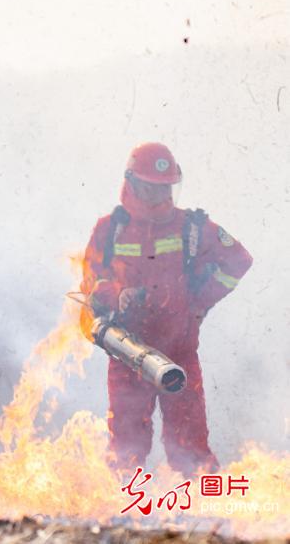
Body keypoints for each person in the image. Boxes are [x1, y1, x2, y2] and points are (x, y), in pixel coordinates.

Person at [80, 142, 252, 475]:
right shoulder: (109, 230)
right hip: (128, 354)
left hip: (180, 355)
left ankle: (208, 518)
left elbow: (239, 260)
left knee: (191, 448)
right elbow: (90, 286)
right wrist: (119, 295)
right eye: (150, 186)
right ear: (131, 181)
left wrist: (200, 301)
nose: (158, 194)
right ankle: (118, 516)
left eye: (164, 187)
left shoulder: (192, 227)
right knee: (125, 450)